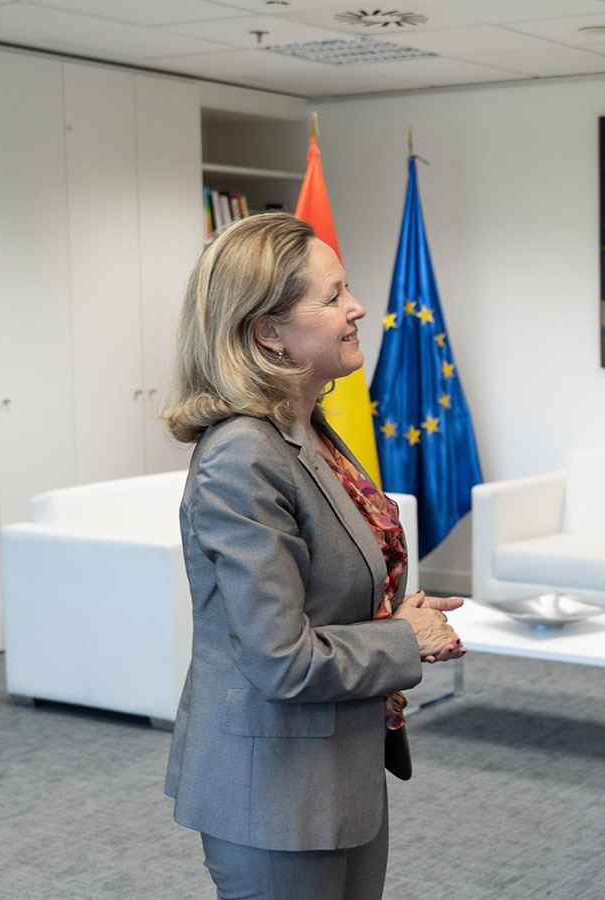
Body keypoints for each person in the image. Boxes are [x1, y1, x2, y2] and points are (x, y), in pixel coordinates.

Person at [161, 213, 466, 900]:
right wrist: (403, 639)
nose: (357, 308)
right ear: (268, 329)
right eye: (332, 297)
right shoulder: (243, 455)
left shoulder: (309, 429)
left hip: (338, 774)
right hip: (274, 794)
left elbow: (328, 589)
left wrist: (395, 612)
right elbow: (280, 658)